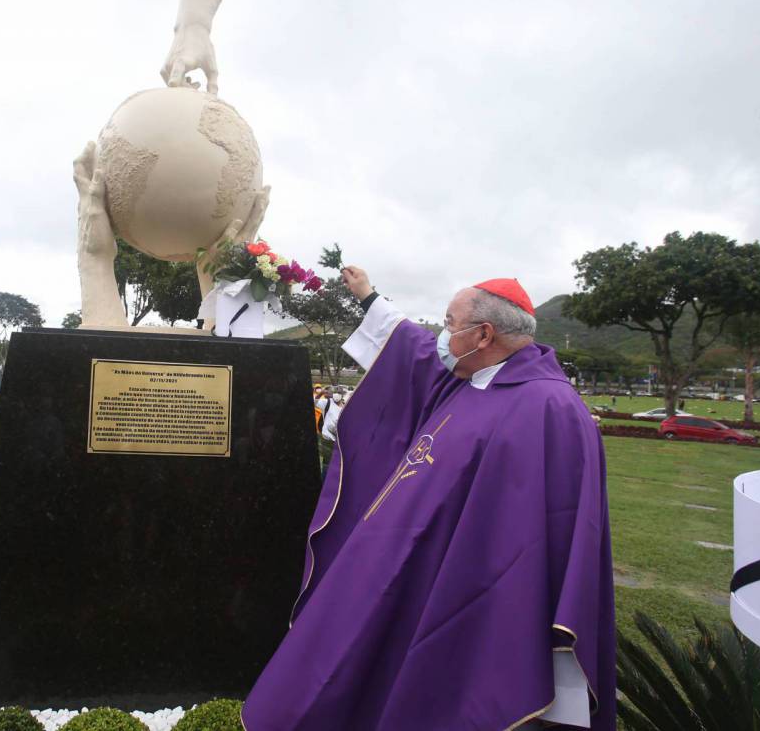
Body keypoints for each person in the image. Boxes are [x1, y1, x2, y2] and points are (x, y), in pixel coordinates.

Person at [242, 267, 615, 731]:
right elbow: (412, 349)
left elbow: (546, 524)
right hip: (411, 566)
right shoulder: (470, 380)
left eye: (449, 322)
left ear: (483, 334)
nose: (442, 334)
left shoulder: (550, 409)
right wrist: (367, 296)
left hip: (471, 589)